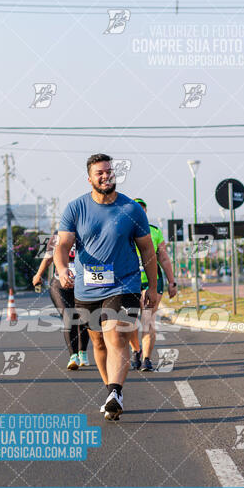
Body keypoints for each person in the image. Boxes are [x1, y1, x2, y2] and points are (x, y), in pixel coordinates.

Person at [54, 154, 157, 421]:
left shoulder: (131, 209)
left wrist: (154, 288)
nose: (105, 176)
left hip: (125, 284)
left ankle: (115, 391)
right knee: (98, 341)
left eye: (109, 171)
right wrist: (63, 268)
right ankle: (112, 393)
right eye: (99, 172)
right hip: (87, 288)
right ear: (90, 178)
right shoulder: (75, 208)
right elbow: (62, 246)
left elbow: (148, 250)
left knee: (115, 335)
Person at [129, 198, 178, 371]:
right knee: (129, 324)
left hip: (152, 281)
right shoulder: (121, 231)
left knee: (148, 320)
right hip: (128, 282)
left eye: (142, 210)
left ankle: (147, 359)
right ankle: (136, 350)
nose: (139, 213)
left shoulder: (154, 232)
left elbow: (164, 258)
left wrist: (172, 281)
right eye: (135, 209)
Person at [33, 232, 90, 370]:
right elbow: (47, 258)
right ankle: (73, 356)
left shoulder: (86, 234)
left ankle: (82, 352)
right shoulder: (56, 237)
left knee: (84, 318)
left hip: (83, 284)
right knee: (68, 316)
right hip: (60, 285)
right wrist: (38, 274)